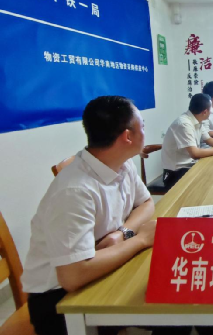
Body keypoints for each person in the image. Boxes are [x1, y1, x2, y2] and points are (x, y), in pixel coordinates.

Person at [21, 96, 169, 335]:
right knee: (170, 306)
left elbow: (146, 203)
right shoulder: (74, 190)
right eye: (142, 125)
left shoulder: (121, 163)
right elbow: (72, 276)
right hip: (59, 301)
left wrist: (123, 233)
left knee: (170, 285)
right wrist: (140, 240)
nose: (145, 130)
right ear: (127, 137)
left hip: (101, 266)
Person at [162, 93, 213, 191]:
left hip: (190, 165)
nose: (211, 113)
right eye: (210, 110)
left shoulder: (197, 119)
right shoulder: (184, 124)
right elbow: (195, 153)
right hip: (176, 172)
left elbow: (209, 140)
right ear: (205, 112)